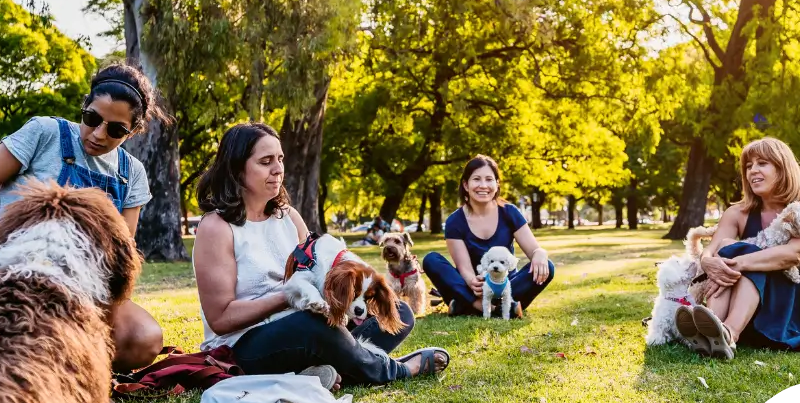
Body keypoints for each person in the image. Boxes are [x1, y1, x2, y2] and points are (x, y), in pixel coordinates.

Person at [191, 122, 450, 388]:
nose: (278, 169)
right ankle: (396, 370)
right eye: (265, 161)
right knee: (313, 326)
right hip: (245, 345)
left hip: (306, 327)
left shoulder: (288, 217)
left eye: (280, 159)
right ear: (236, 168)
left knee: (397, 312)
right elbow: (221, 319)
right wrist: (288, 296)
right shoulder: (217, 227)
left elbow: (316, 273)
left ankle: (318, 373)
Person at [0, 62, 165, 372]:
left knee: (144, 338)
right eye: (92, 118)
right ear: (84, 105)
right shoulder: (44, 132)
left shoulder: (131, 172)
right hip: (24, 276)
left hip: (87, 287)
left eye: (116, 129)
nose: (98, 134)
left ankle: (82, 369)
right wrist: (2, 248)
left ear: (133, 131)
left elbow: (122, 249)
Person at [677, 137, 800, 358]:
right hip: (755, 302)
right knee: (728, 248)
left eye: (762, 163)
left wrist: (736, 262)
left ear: (783, 169)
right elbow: (714, 248)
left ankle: (729, 332)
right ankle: (712, 326)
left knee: (745, 253)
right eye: (748, 165)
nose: (753, 170)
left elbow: (792, 255)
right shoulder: (737, 213)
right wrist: (708, 261)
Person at [422, 154, 554, 318]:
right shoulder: (454, 221)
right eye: (476, 179)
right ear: (466, 184)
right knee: (431, 260)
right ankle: (483, 306)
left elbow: (534, 250)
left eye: (489, 179)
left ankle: (466, 306)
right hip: (471, 287)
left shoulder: (510, 212)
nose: (483, 185)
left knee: (547, 266)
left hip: (505, 285)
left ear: (497, 184)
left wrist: (540, 253)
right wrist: (472, 282)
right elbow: (464, 268)